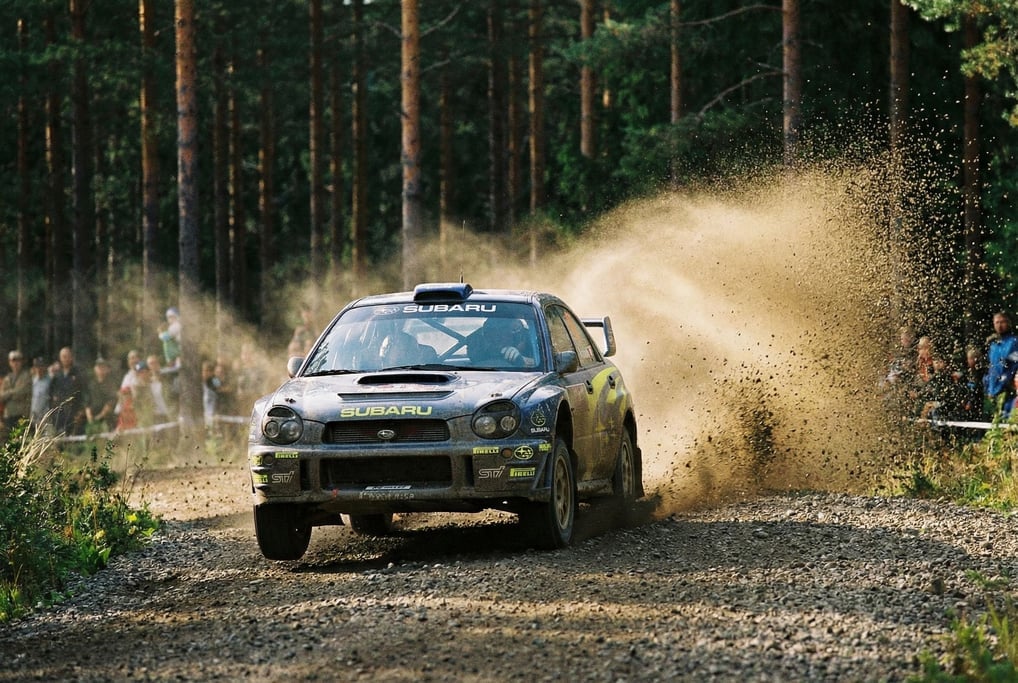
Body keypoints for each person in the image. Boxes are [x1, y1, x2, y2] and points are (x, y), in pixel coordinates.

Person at [984, 311, 1018, 415]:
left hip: (1008, 391)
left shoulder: (1014, 342)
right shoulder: (993, 345)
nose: (999, 325)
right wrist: (988, 387)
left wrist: (1008, 382)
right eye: (997, 322)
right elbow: (991, 368)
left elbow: (1014, 364)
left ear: (1008, 323)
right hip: (993, 392)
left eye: (1002, 322)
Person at [467, 317, 537, 368]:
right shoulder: (480, 350)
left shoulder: (534, 347)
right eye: (492, 334)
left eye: (504, 334)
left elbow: (543, 365)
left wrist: (522, 360)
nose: (496, 339)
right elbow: (473, 357)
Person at [49, 346, 86, 435]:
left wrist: (82, 410)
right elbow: (51, 394)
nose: (65, 359)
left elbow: (84, 393)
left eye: (67, 356)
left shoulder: (78, 373)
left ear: (71, 357)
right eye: (63, 357)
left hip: (74, 412)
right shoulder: (57, 376)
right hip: (59, 415)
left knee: (75, 441)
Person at [0, 350, 32, 437]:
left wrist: (9, 392)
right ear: (10, 362)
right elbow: (1, 396)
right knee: (9, 441)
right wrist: (13, 392)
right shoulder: (7, 378)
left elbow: (23, 391)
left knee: (21, 440)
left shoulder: (27, 376)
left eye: (18, 360)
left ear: (21, 362)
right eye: (13, 360)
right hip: (8, 415)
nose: (16, 363)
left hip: (21, 414)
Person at [85, 357, 119, 433]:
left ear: (107, 369)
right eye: (98, 367)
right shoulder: (91, 384)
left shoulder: (111, 384)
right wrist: (90, 419)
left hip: (107, 420)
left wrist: (99, 417)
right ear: (94, 369)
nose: (100, 369)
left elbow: (111, 402)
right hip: (92, 420)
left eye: (103, 367)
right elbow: (87, 403)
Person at [30, 357, 51, 428]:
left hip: (45, 416)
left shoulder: (49, 381)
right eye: (37, 366)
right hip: (33, 416)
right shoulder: (32, 381)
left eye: (41, 366)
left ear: (45, 367)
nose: (39, 369)